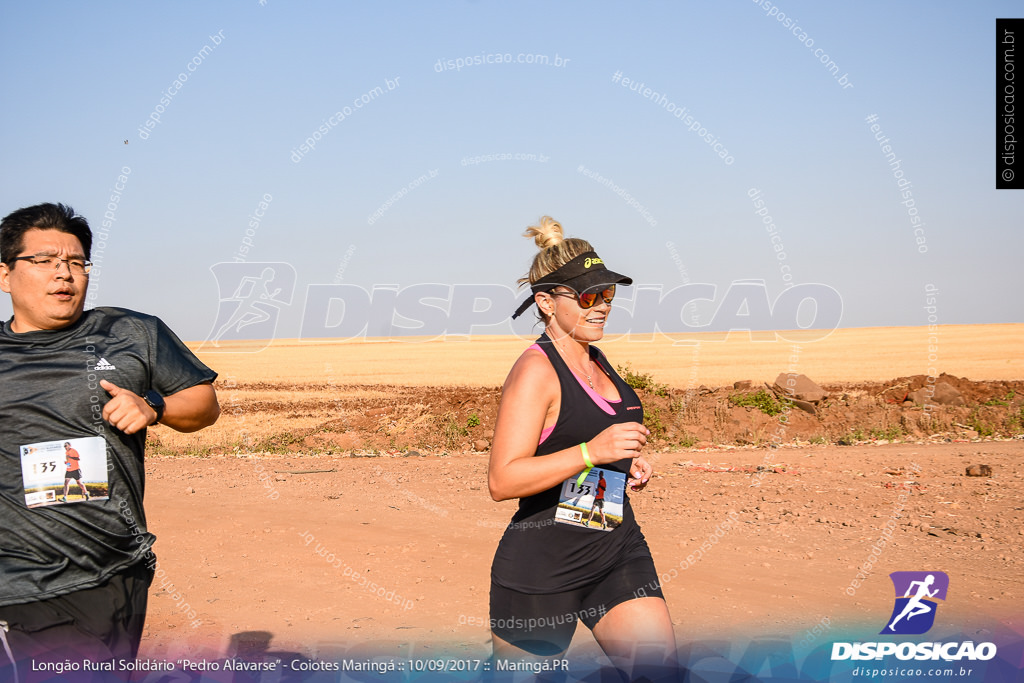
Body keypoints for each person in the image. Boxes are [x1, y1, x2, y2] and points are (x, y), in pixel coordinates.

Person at [0, 203, 220, 678]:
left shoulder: (130, 332)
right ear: (5, 275)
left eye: (76, 263)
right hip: (22, 580)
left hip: (119, 567)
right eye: (45, 261)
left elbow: (204, 403)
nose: (64, 274)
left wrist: (153, 407)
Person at [488, 216, 676, 679]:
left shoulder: (595, 357)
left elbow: (582, 438)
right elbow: (502, 479)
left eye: (607, 295)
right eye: (588, 296)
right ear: (546, 303)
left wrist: (622, 462)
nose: (602, 306)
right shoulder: (536, 371)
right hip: (542, 567)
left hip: (615, 549)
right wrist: (593, 452)